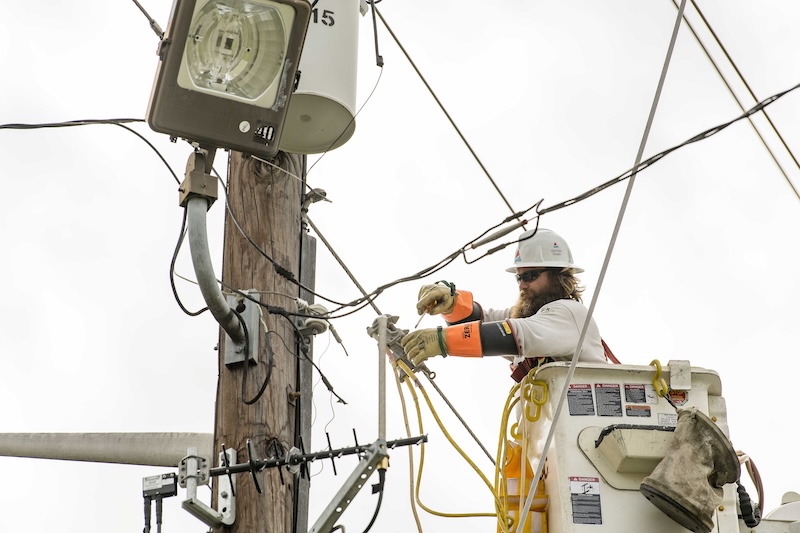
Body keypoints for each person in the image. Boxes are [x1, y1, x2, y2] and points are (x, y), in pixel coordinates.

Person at [401, 228, 609, 381]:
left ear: (559, 275)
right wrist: (453, 304)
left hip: (589, 436)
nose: (523, 285)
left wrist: (441, 341)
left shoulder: (569, 313)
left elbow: (512, 334)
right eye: (519, 278)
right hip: (554, 436)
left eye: (531, 276)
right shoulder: (533, 318)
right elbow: (483, 322)